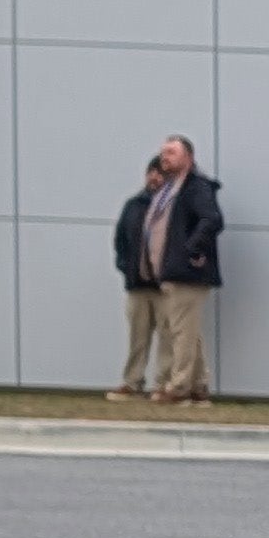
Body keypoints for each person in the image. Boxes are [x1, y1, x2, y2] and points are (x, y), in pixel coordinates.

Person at [133, 135, 226, 403]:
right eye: (163, 152)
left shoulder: (195, 187)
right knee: (188, 331)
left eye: (172, 152)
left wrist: (190, 250)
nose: (165, 157)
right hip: (169, 272)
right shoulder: (169, 190)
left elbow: (212, 219)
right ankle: (198, 386)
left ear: (188, 158)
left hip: (187, 273)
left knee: (181, 332)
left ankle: (179, 387)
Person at [108, 157, 167, 399]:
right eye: (151, 172)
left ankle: (163, 385)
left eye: (160, 173)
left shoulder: (173, 207)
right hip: (137, 284)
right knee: (137, 338)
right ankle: (132, 382)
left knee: (168, 337)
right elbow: (120, 239)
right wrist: (125, 266)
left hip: (165, 286)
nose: (154, 177)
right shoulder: (133, 205)